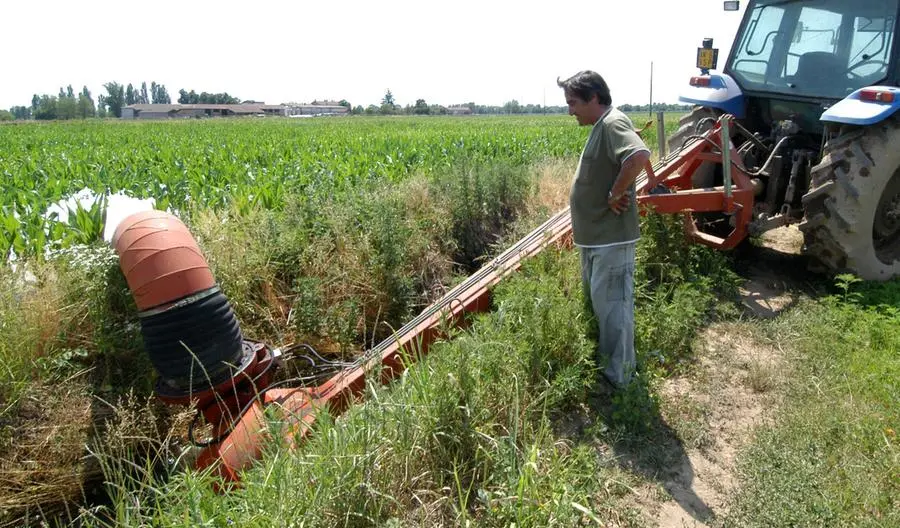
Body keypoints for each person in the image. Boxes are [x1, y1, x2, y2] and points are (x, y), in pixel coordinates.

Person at [557, 70, 650, 389]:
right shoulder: (603, 124)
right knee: (603, 307)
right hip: (596, 239)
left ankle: (621, 379)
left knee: (614, 310)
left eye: (573, 103)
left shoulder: (613, 122)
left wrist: (616, 193)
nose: (570, 110)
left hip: (611, 240)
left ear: (594, 98)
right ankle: (609, 369)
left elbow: (637, 155)